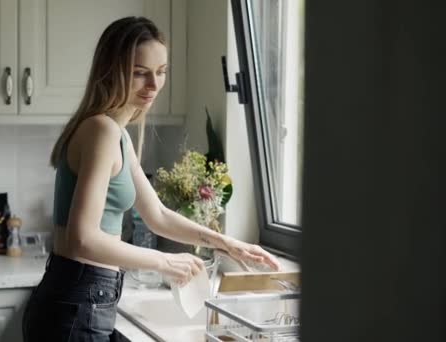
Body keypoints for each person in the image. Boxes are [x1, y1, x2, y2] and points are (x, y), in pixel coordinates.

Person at [22, 16, 280, 341]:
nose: (154, 86)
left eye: (161, 72)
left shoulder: (116, 134)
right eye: (140, 73)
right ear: (111, 71)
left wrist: (228, 244)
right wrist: (165, 262)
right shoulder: (101, 130)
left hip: (82, 301)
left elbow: (156, 215)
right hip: (77, 303)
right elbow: (82, 238)